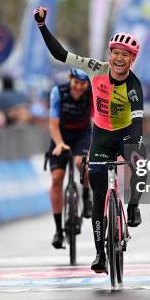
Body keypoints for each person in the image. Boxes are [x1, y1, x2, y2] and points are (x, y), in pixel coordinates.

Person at [34, 6, 146, 273]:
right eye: (116, 53)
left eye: (125, 55)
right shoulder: (96, 69)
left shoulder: (134, 86)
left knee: (139, 160)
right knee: (98, 197)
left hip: (127, 131)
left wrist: (133, 150)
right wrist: (41, 26)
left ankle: (132, 207)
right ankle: (99, 255)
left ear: (132, 60)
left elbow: (139, 124)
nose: (119, 58)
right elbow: (61, 55)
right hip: (101, 135)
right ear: (110, 55)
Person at [48, 68, 94, 249]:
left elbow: (95, 119)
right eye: (76, 83)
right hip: (60, 135)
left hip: (82, 135)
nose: (78, 88)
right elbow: (53, 124)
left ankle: (86, 193)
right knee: (56, 179)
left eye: (82, 84)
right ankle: (58, 231)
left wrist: (95, 144)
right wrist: (59, 143)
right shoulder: (58, 92)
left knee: (80, 163)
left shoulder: (90, 93)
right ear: (69, 79)